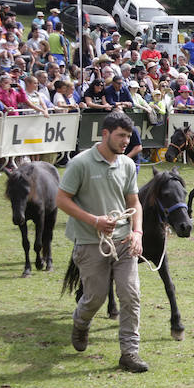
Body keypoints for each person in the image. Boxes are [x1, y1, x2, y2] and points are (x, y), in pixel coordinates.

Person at [56, 112, 148, 373]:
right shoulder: (81, 163)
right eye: (121, 136)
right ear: (105, 134)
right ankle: (81, 322)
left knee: (130, 295)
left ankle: (129, 353)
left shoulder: (127, 164)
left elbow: (134, 203)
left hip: (124, 241)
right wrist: (94, 221)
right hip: (90, 242)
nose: (125, 141)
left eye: (128, 137)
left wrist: (138, 232)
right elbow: (61, 199)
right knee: (95, 297)